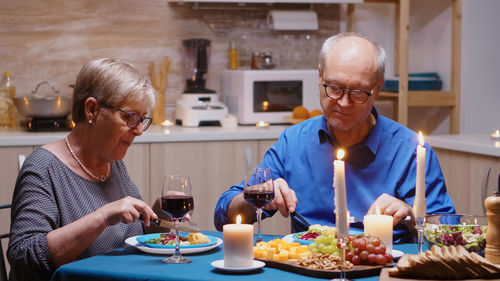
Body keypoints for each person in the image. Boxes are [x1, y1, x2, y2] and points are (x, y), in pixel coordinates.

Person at [214, 32, 455, 242]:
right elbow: (223, 214)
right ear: (320, 77)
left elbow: (449, 234)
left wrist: (412, 215)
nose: (343, 102)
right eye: (335, 88)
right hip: (309, 268)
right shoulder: (294, 141)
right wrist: (257, 196)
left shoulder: (410, 150)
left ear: (378, 89)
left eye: (358, 93)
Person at [7, 58, 160, 281]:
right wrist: (102, 216)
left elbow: (134, 238)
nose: (138, 130)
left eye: (142, 120)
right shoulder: (42, 168)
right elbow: (24, 259)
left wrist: (159, 214)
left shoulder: (112, 163)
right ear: (92, 110)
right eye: (130, 117)